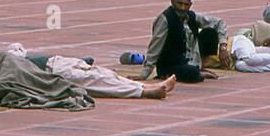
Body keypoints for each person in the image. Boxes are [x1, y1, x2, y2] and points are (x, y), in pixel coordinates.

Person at [9, 44, 177, 99]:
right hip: (54, 72)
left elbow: (15, 48)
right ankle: (145, 92)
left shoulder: (2, 59)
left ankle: (144, 87)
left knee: (106, 74)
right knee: (100, 82)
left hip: (60, 62)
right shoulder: (3, 70)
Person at [140, 0, 230, 83]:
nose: (182, 8)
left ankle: (198, 68)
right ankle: (195, 71)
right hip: (171, 65)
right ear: (172, 2)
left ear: (190, 5)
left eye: (186, 5)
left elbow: (219, 23)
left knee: (210, 33)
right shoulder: (165, 19)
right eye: (179, 3)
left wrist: (223, 47)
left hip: (189, 61)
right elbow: (155, 47)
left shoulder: (192, 16)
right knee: (192, 74)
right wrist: (144, 73)